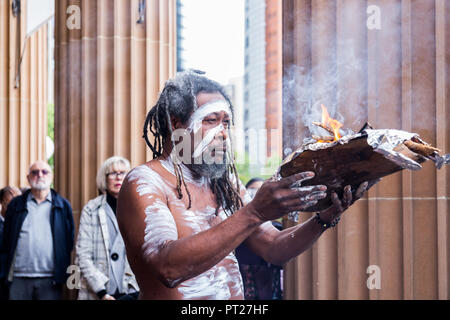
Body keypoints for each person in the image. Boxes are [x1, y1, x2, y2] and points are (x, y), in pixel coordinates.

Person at [117, 70, 376, 300]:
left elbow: (273, 247)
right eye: (211, 120)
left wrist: (323, 219)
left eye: (226, 122)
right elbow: (168, 269)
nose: (223, 132)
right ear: (176, 124)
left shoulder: (224, 184)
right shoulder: (144, 181)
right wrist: (254, 212)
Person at [1, 161, 74, 300]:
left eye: (44, 171)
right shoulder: (15, 205)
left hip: (50, 278)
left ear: (51, 177)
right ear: (28, 178)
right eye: (34, 172)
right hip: (18, 277)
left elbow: (68, 241)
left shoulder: (63, 206)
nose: (40, 175)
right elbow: (7, 239)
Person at [75, 156, 139, 300]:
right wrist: (102, 292)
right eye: (113, 173)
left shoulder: (138, 209)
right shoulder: (91, 209)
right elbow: (83, 255)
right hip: (98, 292)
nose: (118, 177)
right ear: (104, 178)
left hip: (130, 292)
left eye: (122, 173)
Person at [235, 178, 283, 300]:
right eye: (251, 193)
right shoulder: (235, 236)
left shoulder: (278, 230)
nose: (257, 197)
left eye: (260, 192)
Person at [0, 186, 22, 300]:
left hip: (19, 277)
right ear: (1, 203)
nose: (13, 208)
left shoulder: (23, 223)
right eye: (9, 204)